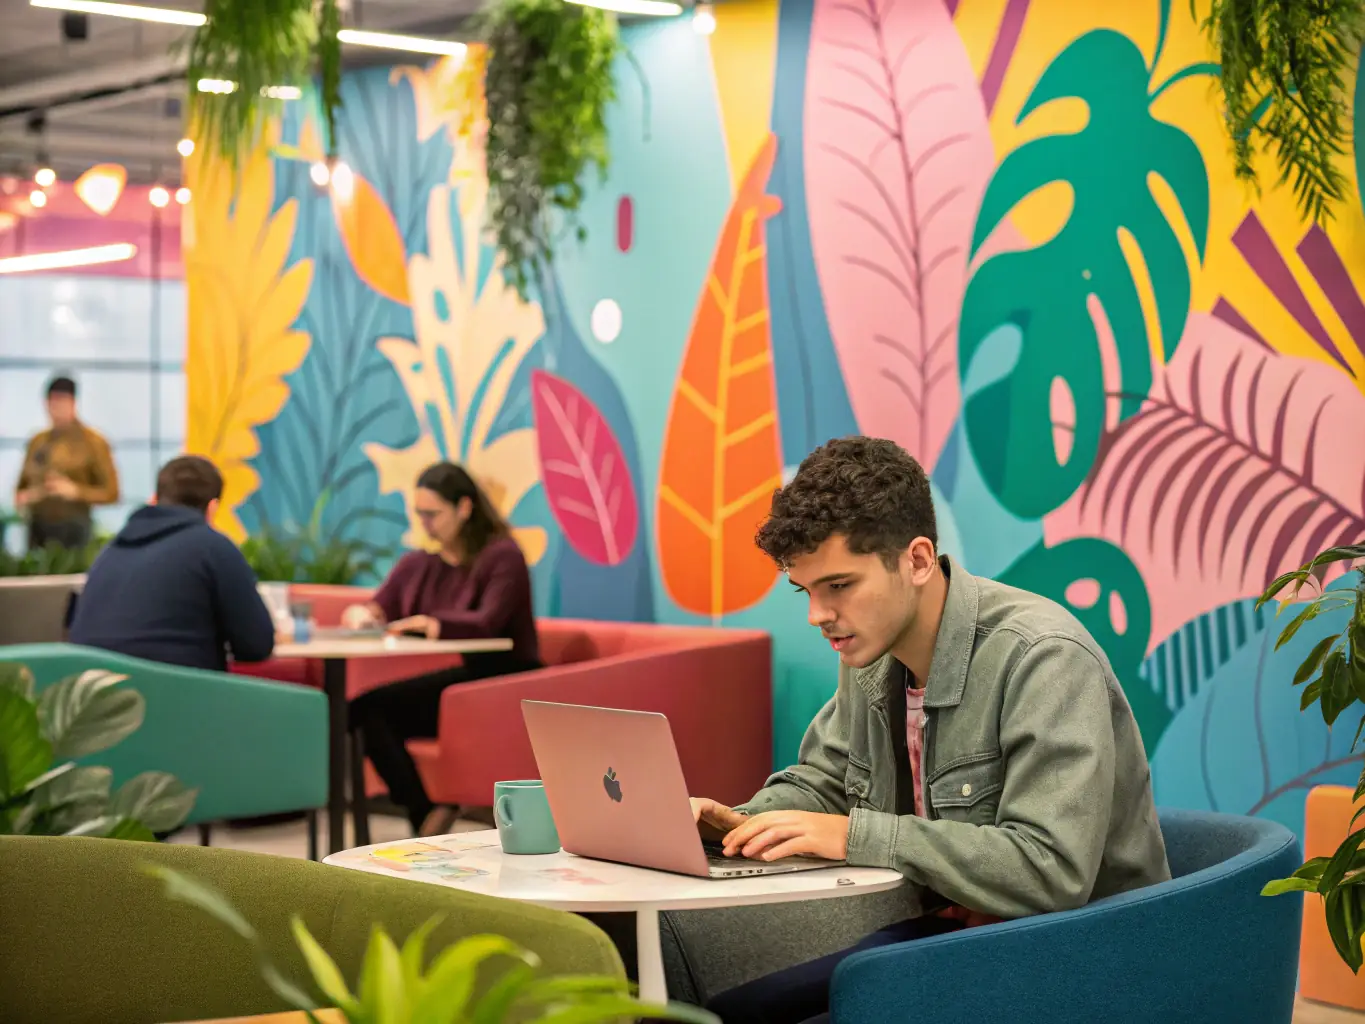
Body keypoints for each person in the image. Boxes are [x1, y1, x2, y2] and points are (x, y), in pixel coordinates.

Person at [685, 436, 1170, 1024]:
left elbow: (1051, 870)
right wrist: (744, 822)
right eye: (805, 591)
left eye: (838, 586)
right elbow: (824, 780)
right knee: (720, 1009)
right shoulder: (870, 652)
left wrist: (854, 835)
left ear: (916, 560)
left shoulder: (1043, 657)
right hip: (953, 937)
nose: (817, 615)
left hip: (1077, 958)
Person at [345, 461, 541, 838]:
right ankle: (424, 813)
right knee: (363, 711)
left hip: (508, 683)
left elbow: (489, 623)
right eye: (420, 514)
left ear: (464, 508)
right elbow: (379, 606)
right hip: (469, 686)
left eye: (433, 514)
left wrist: (433, 624)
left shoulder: (503, 556)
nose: (426, 524)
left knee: (370, 709)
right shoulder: (421, 562)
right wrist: (363, 614)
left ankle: (425, 816)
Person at [68, 455, 274, 672]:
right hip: (175, 695)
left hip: (93, 693)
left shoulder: (110, 552)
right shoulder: (213, 547)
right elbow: (256, 646)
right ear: (212, 508)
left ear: (154, 499)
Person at [14, 375, 119, 550]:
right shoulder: (38, 442)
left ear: (73, 403)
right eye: (52, 402)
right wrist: (33, 495)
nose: (56, 409)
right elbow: (20, 489)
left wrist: (75, 491)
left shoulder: (93, 442)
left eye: (61, 402)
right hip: (37, 530)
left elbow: (112, 493)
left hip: (75, 530)